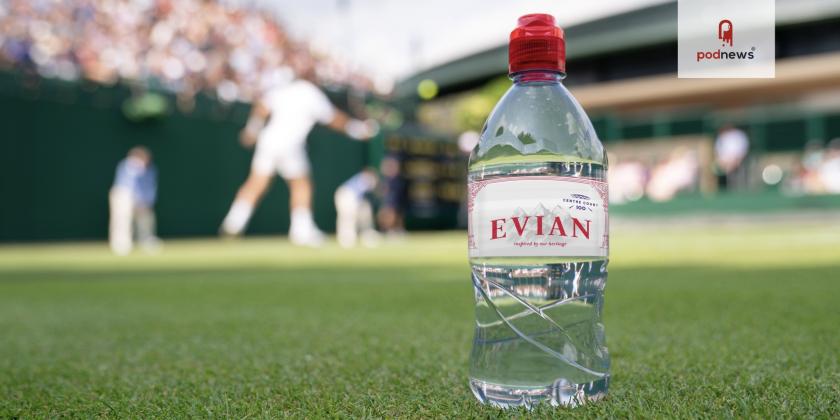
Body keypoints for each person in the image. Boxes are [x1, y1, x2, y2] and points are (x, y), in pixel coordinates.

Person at [220, 56, 377, 246]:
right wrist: (359, 130)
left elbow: (262, 107)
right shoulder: (310, 93)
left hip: (268, 141)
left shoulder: (284, 90)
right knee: (301, 185)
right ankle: (301, 231)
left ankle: (234, 222)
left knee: (257, 182)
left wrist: (252, 130)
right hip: (290, 144)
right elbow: (333, 119)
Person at [109, 146, 160, 255]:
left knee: (146, 219)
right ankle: (121, 243)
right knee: (122, 219)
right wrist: (137, 199)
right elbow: (129, 184)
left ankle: (146, 241)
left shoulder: (151, 169)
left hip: (142, 197)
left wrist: (147, 201)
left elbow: (150, 186)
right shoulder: (127, 166)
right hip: (123, 195)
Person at [334, 169, 379, 248]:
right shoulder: (363, 180)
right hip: (346, 195)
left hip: (352, 197)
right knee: (348, 216)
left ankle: (367, 235)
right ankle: (346, 238)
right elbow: (357, 194)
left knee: (365, 212)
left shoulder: (365, 181)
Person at [714, 124, 750, 191]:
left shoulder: (739, 135)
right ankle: (723, 188)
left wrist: (737, 160)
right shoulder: (721, 137)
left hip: (738, 159)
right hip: (726, 161)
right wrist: (723, 161)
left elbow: (743, 150)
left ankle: (739, 186)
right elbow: (719, 152)